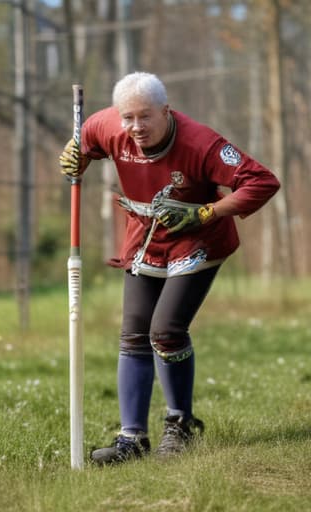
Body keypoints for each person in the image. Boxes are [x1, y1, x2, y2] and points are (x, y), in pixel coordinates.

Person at [59, 72, 280, 465]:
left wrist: (208, 211)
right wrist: (75, 154)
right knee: (133, 336)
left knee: (165, 331)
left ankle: (180, 424)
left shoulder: (201, 143)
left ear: (165, 109)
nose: (135, 127)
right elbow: (86, 143)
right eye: (128, 117)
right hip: (146, 238)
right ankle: (132, 439)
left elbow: (262, 181)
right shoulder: (106, 124)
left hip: (199, 239)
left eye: (145, 116)